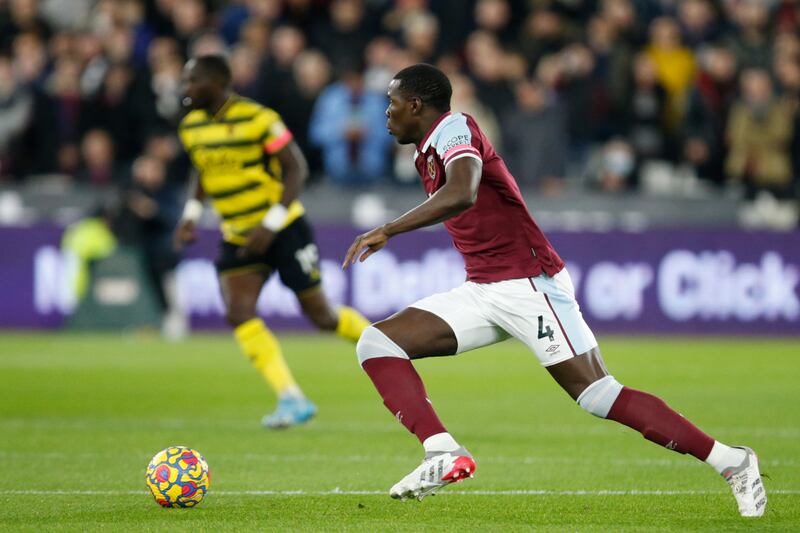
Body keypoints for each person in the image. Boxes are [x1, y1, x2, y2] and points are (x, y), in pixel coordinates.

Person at [342, 64, 767, 517]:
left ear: (415, 105)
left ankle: (732, 461)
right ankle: (441, 451)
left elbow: (463, 190)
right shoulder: (425, 150)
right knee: (378, 342)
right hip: (485, 288)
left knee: (598, 395)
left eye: (390, 103)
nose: (385, 113)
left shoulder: (454, 128)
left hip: (529, 284)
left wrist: (388, 228)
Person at [174, 55, 369, 429]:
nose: (186, 89)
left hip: (283, 227)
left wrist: (271, 223)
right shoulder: (191, 126)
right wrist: (191, 215)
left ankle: (388, 345)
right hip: (238, 233)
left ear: (218, 83)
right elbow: (203, 170)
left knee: (322, 316)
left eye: (192, 81)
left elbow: (296, 168)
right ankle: (291, 398)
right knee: (238, 311)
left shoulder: (258, 118)